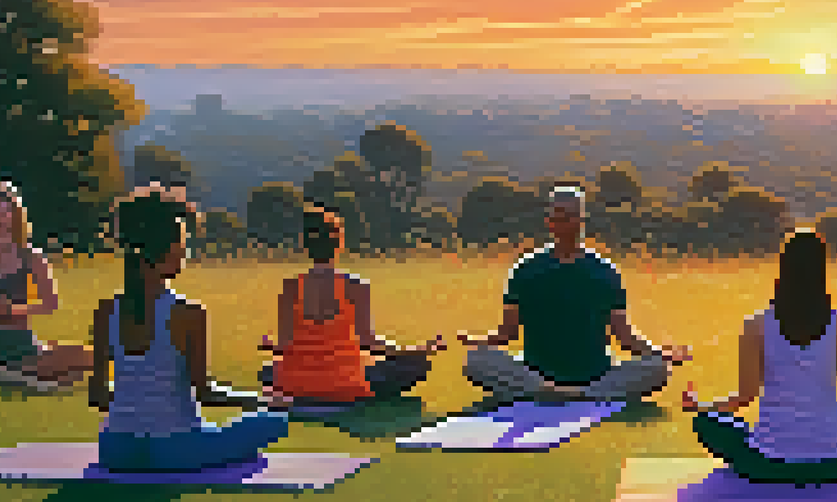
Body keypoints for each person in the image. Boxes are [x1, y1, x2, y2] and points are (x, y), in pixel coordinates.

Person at [682, 230, 837, 484]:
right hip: (835, 463)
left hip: (766, 463)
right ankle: (826, 455)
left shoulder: (755, 325)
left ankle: (772, 455)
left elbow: (743, 398)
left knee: (707, 422)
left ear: (783, 270)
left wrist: (700, 407)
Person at [89, 184, 289, 472]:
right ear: (167, 250)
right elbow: (205, 393)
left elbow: (97, 396)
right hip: (176, 451)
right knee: (273, 422)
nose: (185, 251)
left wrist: (135, 409)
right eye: (182, 243)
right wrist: (262, 400)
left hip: (117, 451)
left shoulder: (106, 311)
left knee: (212, 430)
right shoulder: (188, 313)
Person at [460, 186, 691, 403]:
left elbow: (625, 337)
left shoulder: (604, 271)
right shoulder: (525, 269)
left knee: (659, 369)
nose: (562, 222)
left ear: (581, 221)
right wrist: (477, 341)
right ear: (549, 222)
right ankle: (550, 390)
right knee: (475, 361)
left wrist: (661, 353)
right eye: (556, 216)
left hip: (595, 374)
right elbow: (507, 333)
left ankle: (578, 393)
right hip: (536, 372)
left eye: (568, 216)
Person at [257, 204, 447, 404]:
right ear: (338, 245)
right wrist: (418, 350)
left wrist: (270, 345)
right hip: (345, 385)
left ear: (306, 247)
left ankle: (313, 388)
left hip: (296, 386)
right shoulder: (355, 286)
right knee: (418, 365)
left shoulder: (290, 288)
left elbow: (284, 346)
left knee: (268, 370)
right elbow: (370, 343)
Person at [0, 180, 91, 391]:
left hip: (22, 341)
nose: (0, 220)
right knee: (59, 373)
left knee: (86, 356)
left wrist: (13, 310)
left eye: (5, 213)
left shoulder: (32, 257)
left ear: (15, 216)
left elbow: (51, 303)